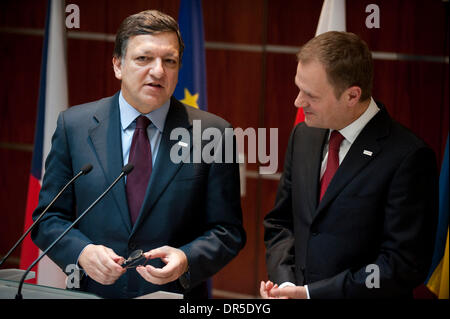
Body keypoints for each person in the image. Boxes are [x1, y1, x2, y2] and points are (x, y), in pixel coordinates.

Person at [31, 10, 245, 299]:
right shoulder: (74, 126)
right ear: (118, 65)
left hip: (174, 295)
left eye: (169, 61)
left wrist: (186, 258)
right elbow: (47, 218)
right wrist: (81, 252)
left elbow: (227, 230)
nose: (158, 71)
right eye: (143, 59)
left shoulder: (213, 134)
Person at [260, 31, 438, 299]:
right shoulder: (303, 135)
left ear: (352, 95)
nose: (298, 102)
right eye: (298, 88)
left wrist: (312, 294)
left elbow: (401, 265)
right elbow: (281, 223)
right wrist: (286, 285)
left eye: (311, 95)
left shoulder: (409, 157)